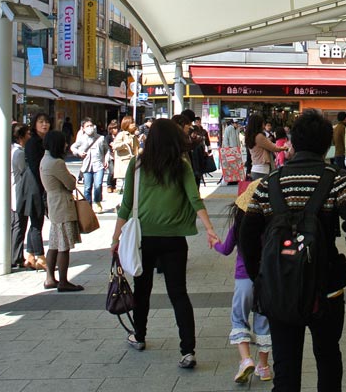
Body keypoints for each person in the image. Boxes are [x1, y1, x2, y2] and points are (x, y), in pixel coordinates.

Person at [240, 109, 346, 391]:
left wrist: (260, 276)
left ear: (294, 143)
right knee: (328, 356)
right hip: (327, 286)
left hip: (281, 287)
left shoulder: (269, 183)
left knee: (285, 366)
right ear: (326, 145)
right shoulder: (338, 178)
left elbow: (247, 235)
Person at [112, 118, 220, 368]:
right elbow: (195, 198)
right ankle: (188, 351)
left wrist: (115, 239)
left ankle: (139, 336)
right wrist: (210, 229)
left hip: (143, 239)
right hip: (174, 239)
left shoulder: (137, 165)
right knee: (178, 293)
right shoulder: (180, 165)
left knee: (142, 290)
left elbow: (126, 205)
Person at [214, 180, 273, 383]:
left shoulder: (239, 226)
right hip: (265, 279)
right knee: (264, 320)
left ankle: (246, 359)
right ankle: (264, 367)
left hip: (243, 279)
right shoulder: (271, 226)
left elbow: (225, 249)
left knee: (239, 318)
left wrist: (215, 243)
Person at [40, 130, 84, 292]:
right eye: (64, 142)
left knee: (54, 243)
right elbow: (70, 184)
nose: (66, 145)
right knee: (63, 245)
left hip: (53, 204)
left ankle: (50, 278)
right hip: (62, 205)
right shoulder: (56, 163)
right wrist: (72, 178)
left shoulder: (44, 160)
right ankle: (64, 281)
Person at [10, 123, 43, 271]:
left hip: (18, 191)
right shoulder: (19, 153)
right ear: (21, 136)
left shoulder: (13, 150)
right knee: (19, 225)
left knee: (19, 224)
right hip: (19, 192)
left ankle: (21, 256)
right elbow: (25, 171)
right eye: (27, 134)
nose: (30, 136)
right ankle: (16, 257)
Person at [23, 112, 50, 271]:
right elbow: (35, 167)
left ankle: (31, 256)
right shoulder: (33, 142)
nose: (44, 124)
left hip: (38, 185)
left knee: (36, 221)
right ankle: (40, 257)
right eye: (41, 122)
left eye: (46, 122)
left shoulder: (43, 141)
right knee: (36, 221)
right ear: (34, 124)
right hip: (34, 185)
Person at [71, 118, 109, 214]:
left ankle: (97, 201)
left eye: (91, 125)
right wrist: (79, 152)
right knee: (87, 187)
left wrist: (106, 160)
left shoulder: (101, 138)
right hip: (87, 166)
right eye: (87, 126)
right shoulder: (81, 139)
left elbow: (107, 150)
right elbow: (73, 147)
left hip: (98, 165)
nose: (90, 128)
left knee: (98, 185)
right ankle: (88, 206)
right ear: (83, 128)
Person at [245, 113, 288, 182]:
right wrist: (285, 148)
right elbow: (273, 147)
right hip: (262, 170)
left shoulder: (251, 136)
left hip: (256, 169)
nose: (263, 125)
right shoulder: (259, 136)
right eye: (263, 123)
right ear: (258, 124)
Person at [112, 116, 139, 191]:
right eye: (132, 123)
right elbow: (115, 146)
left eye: (134, 122)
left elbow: (137, 149)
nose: (134, 124)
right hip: (123, 164)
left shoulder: (134, 136)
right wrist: (124, 144)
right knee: (123, 187)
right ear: (126, 124)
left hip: (133, 163)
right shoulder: (121, 134)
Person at [105, 121, 120, 192]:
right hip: (110, 156)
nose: (116, 130)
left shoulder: (119, 137)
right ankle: (109, 185)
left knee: (116, 172)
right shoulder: (108, 137)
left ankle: (114, 186)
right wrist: (112, 148)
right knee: (112, 171)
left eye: (116, 128)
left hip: (117, 157)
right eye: (114, 128)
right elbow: (106, 146)